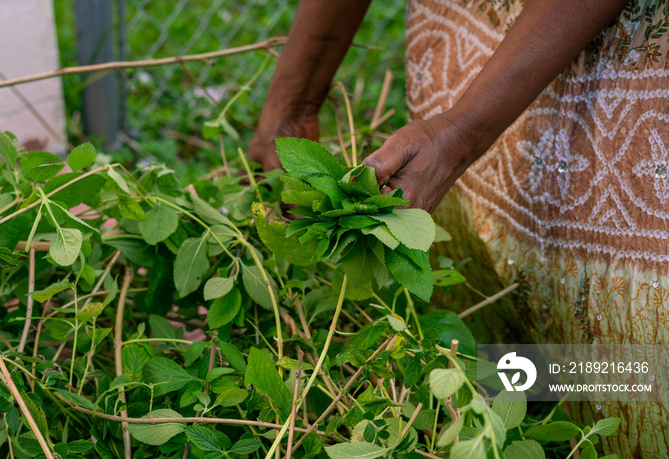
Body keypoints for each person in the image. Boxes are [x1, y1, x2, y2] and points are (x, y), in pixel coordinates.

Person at [248, 0, 669, 456]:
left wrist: (460, 133)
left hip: (624, 85)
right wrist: (292, 107)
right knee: (485, 333)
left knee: (633, 367)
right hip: (468, 45)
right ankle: (507, 412)